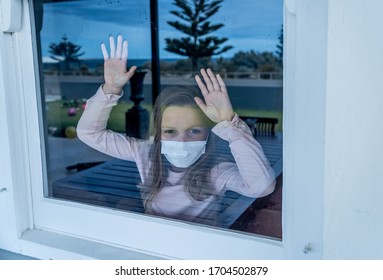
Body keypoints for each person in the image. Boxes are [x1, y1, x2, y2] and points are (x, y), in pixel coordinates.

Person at [77, 35, 276, 227]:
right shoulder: (145, 154)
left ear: (209, 133)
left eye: (194, 131)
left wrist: (229, 125)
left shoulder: (216, 171)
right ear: (157, 132)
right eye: (170, 131)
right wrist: (110, 89)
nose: (181, 142)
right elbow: (90, 134)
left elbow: (261, 186)